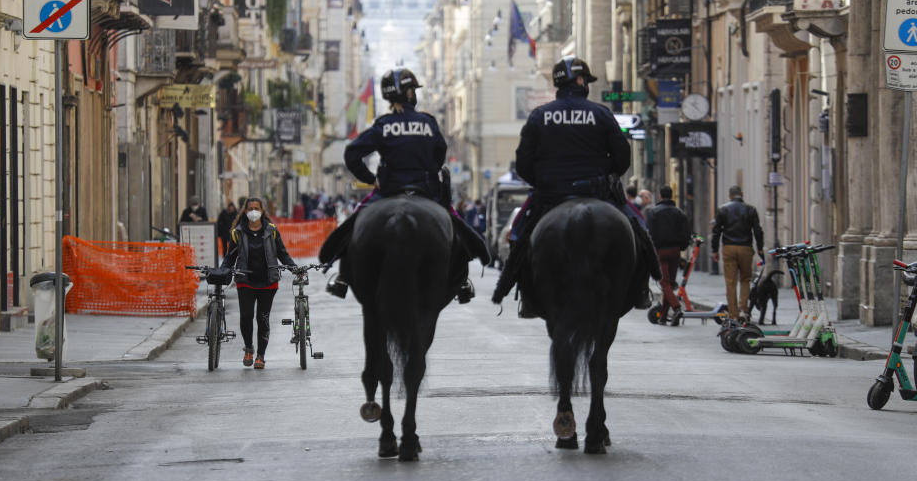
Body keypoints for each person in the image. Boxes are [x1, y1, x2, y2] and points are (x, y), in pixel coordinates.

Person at [492, 57, 662, 317]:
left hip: (551, 193)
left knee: (519, 235)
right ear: (581, 81)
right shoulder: (601, 113)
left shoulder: (540, 115)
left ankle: (525, 295)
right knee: (638, 226)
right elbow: (622, 157)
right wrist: (610, 175)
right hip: (597, 190)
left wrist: (543, 182)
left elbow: (523, 163)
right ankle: (642, 287)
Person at [321, 67, 486, 302]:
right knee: (454, 226)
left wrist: (370, 178)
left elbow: (352, 155)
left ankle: (343, 277)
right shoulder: (428, 123)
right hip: (426, 191)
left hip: (388, 191)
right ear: (410, 94)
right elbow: (440, 153)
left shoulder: (383, 125)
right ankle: (461, 281)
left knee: (356, 223)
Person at [221, 197, 297, 369]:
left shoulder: (272, 230)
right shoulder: (237, 232)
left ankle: (261, 356)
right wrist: (222, 271)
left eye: (256, 208)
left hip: (268, 282)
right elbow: (229, 257)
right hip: (245, 281)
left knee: (263, 319)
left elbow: (282, 253)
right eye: (250, 208)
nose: (253, 211)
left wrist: (294, 268)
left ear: (262, 211)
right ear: (245, 212)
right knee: (246, 317)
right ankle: (249, 348)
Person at [711, 185, 765, 323]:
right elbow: (757, 230)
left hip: (729, 247)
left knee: (730, 282)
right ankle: (743, 309)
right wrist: (759, 248)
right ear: (742, 194)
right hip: (745, 248)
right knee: (745, 279)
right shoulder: (750, 209)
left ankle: (733, 314)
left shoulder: (723, 209)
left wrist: (714, 250)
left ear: (730, 195)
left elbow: (716, 231)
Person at [648, 185, 691, 324]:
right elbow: (686, 233)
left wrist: (651, 250)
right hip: (675, 251)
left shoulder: (653, 212)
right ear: (672, 196)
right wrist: (682, 247)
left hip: (660, 251)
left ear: (660, 196)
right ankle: (663, 317)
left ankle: (676, 307)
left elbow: (650, 234)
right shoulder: (679, 213)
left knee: (664, 282)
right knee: (670, 284)